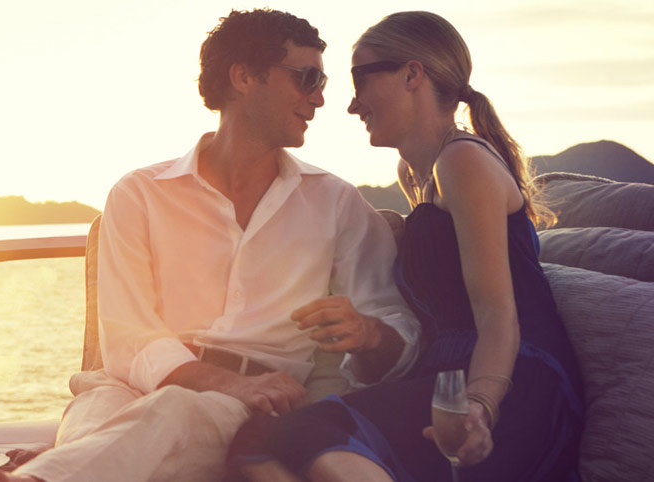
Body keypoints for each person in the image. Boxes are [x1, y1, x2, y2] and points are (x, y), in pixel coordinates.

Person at [0, 8, 419, 482]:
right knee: (102, 422)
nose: (320, 99)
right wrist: (228, 382)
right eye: (307, 78)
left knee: (163, 417)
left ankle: (43, 474)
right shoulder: (140, 194)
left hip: (252, 410)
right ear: (243, 76)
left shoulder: (337, 205)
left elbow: (399, 326)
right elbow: (129, 337)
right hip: (122, 388)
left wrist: (369, 332)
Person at [236, 11, 585, 481]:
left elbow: (499, 318)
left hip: (512, 381)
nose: (352, 106)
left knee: (307, 431)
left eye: (360, 81)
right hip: (443, 376)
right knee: (253, 442)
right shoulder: (415, 176)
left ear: (412, 74)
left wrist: (480, 406)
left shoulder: (464, 162)